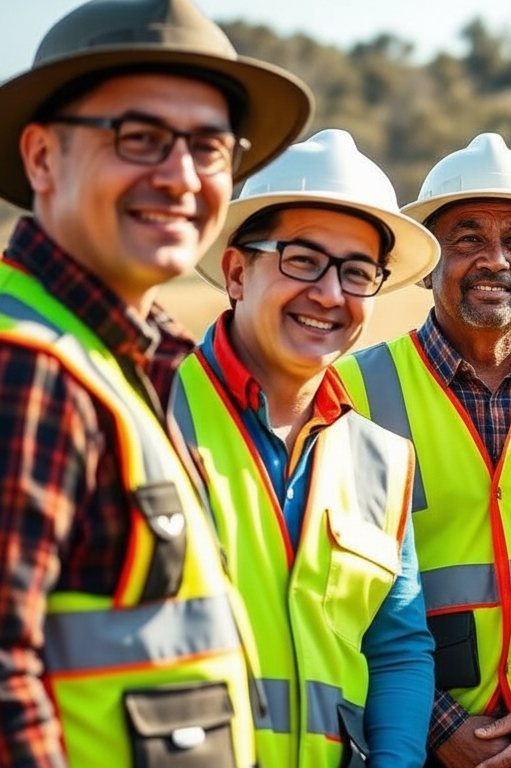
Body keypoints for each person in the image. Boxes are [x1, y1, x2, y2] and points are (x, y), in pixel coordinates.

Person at [0, 0, 311, 766]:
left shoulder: (122, 362)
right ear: (42, 157)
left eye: (209, 148)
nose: (179, 177)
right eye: (139, 139)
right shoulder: (30, 364)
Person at [335, 133, 511, 768]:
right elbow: (332, 590)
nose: (493, 260)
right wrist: (438, 724)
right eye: (467, 239)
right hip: (403, 738)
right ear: (428, 263)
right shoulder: (349, 394)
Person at [171, 129, 439, 768]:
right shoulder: (149, 412)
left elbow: (397, 647)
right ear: (237, 272)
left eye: (357, 272)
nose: (329, 293)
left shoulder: (384, 461)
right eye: (301, 259)